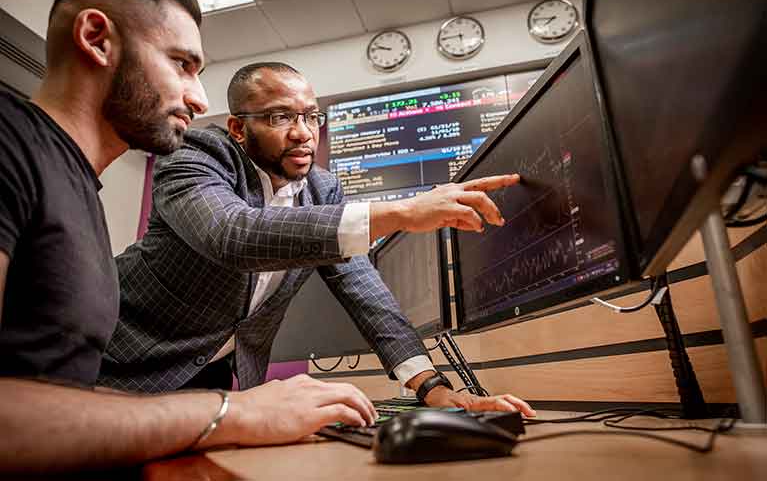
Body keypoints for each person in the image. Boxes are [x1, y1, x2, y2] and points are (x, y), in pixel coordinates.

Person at [0, 0, 395, 474]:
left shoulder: (74, 185)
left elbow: (55, 393)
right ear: (97, 40)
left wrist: (431, 384)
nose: (199, 98)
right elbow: (231, 233)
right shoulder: (10, 143)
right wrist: (233, 413)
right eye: (182, 64)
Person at [100, 62, 536, 416]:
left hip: (213, 380)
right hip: (120, 364)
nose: (304, 132)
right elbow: (233, 236)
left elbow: (365, 293)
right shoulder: (197, 155)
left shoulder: (323, 190)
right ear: (237, 128)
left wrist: (435, 391)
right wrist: (402, 212)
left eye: (311, 116)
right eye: (280, 117)